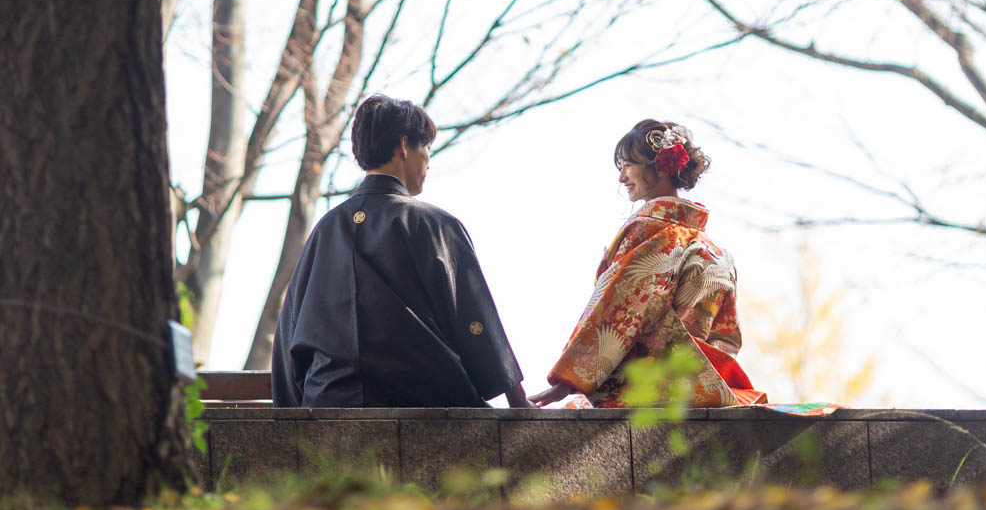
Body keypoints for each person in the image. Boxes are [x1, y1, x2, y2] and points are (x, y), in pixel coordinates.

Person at [272, 94, 527, 408]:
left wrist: (291, 417)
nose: (428, 161)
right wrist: (518, 403)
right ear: (404, 146)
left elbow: (291, 328)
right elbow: (475, 321)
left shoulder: (326, 227)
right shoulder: (436, 224)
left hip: (328, 400)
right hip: (425, 403)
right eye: (427, 147)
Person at [530, 118, 765, 409]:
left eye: (628, 165)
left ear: (661, 165)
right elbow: (725, 336)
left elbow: (621, 303)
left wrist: (570, 379)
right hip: (708, 387)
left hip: (652, 386)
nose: (621, 178)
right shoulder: (715, 251)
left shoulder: (649, 230)